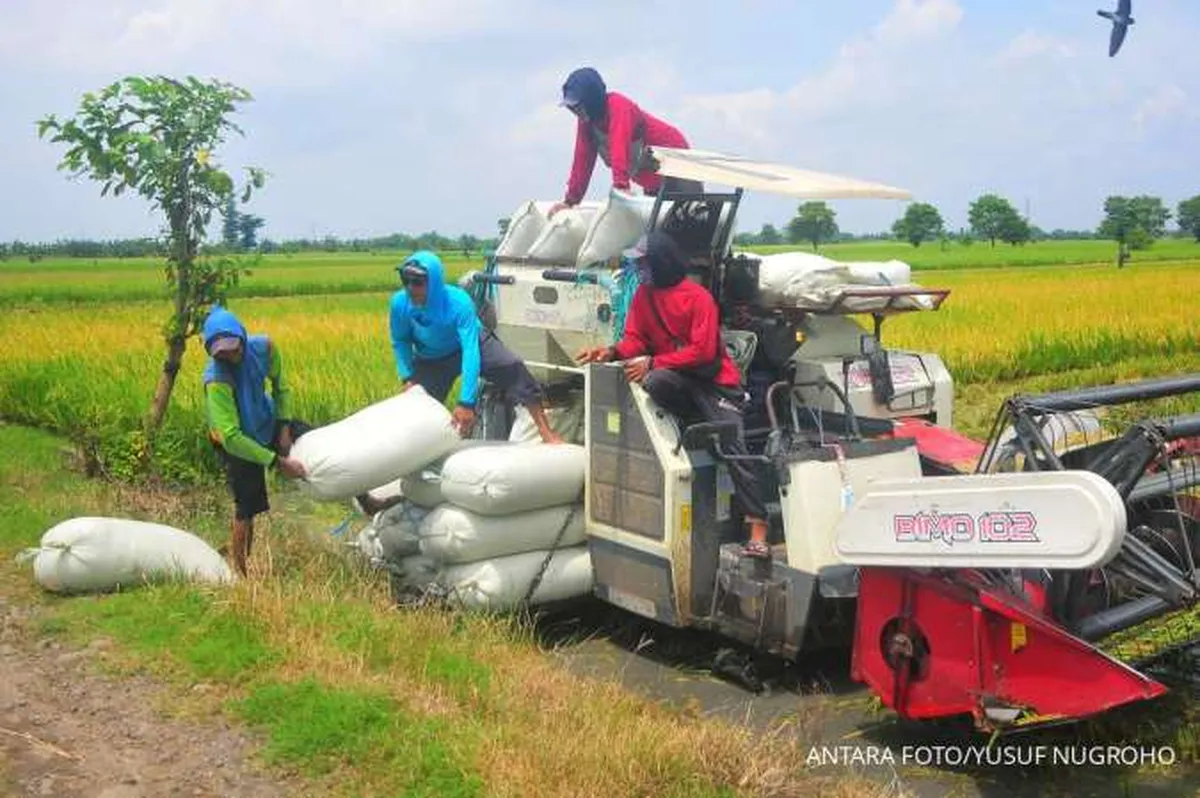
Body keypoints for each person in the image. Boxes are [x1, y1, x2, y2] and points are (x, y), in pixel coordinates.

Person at [574, 231, 771, 559]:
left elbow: (704, 351)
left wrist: (653, 361)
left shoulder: (697, 297)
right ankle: (689, 423)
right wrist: (611, 351)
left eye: (643, 262)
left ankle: (758, 528)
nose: (639, 269)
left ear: (661, 262)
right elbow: (636, 339)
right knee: (655, 382)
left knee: (735, 445)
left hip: (714, 384)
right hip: (679, 380)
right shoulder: (643, 298)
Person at [387, 250, 564, 456]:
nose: (410, 288)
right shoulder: (400, 303)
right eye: (405, 280)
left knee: (512, 366)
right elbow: (400, 340)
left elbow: (470, 351)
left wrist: (466, 402)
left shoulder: (458, 302)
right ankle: (418, 450)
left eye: (418, 282)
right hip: (433, 357)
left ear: (434, 282)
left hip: (472, 344)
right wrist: (407, 376)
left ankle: (545, 431)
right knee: (417, 404)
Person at [202, 306, 309, 577]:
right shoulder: (217, 381)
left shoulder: (266, 348)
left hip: (266, 418)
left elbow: (281, 387)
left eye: (234, 348)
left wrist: (284, 427)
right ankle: (239, 572)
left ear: (243, 337)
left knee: (312, 436)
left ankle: (365, 500)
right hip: (235, 442)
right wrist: (275, 461)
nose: (232, 356)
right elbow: (231, 437)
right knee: (247, 506)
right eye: (222, 354)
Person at [548, 67, 702, 218]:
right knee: (656, 231)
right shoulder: (586, 122)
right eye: (572, 108)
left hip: (678, 165)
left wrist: (620, 186)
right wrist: (570, 201)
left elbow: (619, 148)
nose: (576, 112)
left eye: (578, 107)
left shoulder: (619, 107)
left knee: (687, 222)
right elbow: (582, 160)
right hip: (652, 179)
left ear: (592, 101)